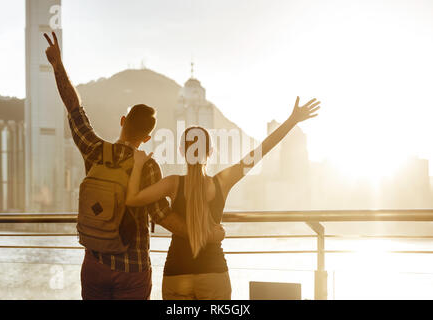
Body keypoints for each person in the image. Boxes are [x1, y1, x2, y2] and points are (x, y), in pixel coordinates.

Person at [43, 31, 224, 300]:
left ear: (122, 121)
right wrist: (206, 235)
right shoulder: (149, 168)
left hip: (94, 264)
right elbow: (164, 217)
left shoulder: (94, 150)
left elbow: (74, 109)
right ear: (148, 137)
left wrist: (57, 65)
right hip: (133, 269)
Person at [126, 96, 321, 299]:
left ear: (182, 151)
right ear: (210, 152)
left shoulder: (172, 183)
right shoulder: (222, 182)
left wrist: (138, 164)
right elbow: (261, 150)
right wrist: (292, 120)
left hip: (177, 273)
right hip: (214, 274)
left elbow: (132, 199)